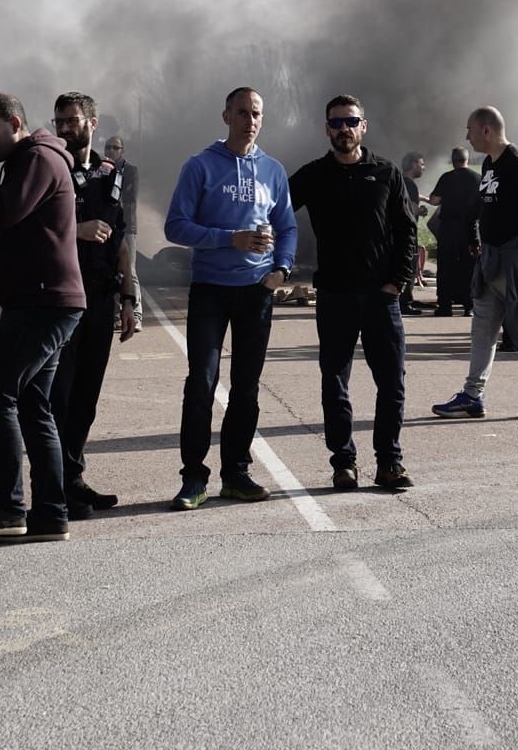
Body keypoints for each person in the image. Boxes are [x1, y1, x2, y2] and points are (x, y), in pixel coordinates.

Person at [0, 92, 84, 542]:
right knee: (32, 405)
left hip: (42, 303)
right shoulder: (32, 158)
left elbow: (5, 213)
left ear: (14, 123)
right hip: (40, 301)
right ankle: (50, 514)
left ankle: (9, 507)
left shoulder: (37, 159)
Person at [164, 87, 298, 510]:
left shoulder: (273, 170)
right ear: (226, 116)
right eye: (242, 112)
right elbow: (175, 227)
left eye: (256, 113)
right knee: (201, 383)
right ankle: (193, 478)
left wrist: (282, 268)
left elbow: (287, 226)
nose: (250, 120)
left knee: (246, 387)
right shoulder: (200, 166)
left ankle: (236, 473)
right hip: (210, 291)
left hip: (256, 292)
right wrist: (230, 239)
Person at [290, 95, 416, 490]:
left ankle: (389, 462)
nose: (344, 128)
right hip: (335, 296)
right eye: (336, 122)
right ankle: (343, 463)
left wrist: (397, 281)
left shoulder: (386, 172)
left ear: (364, 126)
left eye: (351, 121)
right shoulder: (313, 175)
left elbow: (407, 229)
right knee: (335, 382)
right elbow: (275, 213)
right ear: (327, 129)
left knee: (392, 383)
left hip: (381, 298)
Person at [433, 106, 518, 420]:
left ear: (486, 130)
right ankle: (471, 396)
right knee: (482, 329)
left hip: (515, 259)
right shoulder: (491, 164)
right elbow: (496, 207)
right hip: (492, 259)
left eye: (469, 129)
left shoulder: (517, 162)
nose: (466, 136)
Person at [47, 92, 141, 520]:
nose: (64, 128)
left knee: (86, 398)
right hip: (60, 299)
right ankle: (55, 489)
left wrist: (128, 298)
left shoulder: (109, 176)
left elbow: (121, 240)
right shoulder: (48, 170)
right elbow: (25, 230)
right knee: (58, 398)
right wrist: (75, 230)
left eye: (72, 121)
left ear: (92, 123)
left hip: (101, 299)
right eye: (59, 121)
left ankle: (74, 479)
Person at [427, 146, 480, 316]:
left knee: (446, 267)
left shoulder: (447, 178)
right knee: (469, 267)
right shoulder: (477, 178)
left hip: (448, 228)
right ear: (467, 160)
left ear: (453, 160)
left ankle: (445, 306)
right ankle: (469, 306)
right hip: (470, 229)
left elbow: (434, 200)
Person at [398, 151, 428, 315]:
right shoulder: (411, 184)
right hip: (408, 233)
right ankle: (405, 303)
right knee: (409, 269)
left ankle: (399, 299)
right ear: (414, 164)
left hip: (396, 232)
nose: (423, 167)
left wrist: (425, 199)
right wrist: (422, 210)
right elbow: (413, 207)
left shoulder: (399, 179)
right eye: (421, 164)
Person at [104, 135, 139, 237]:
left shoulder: (130, 170)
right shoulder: (99, 169)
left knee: (128, 253)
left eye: (115, 148)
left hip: (125, 226)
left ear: (122, 151)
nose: (111, 150)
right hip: (103, 226)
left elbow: (129, 199)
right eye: (108, 147)